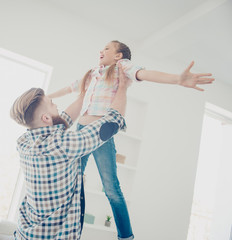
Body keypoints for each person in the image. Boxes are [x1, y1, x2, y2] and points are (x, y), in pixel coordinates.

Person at [47, 40, 215, 240]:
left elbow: (145, 73)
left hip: (101, 132)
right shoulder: (92, 73)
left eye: (107, 48)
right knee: (71, 183)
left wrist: (177, 79)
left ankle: (125, 236)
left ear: (119, 56)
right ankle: (62, 231)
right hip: (81, 130)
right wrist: (45, 97)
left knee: (111, 188)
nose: (101, 50)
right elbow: (69, 88)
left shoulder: (121, 67)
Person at [10, 64, 131, 240]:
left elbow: (62, 120)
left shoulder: (24, 142)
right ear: (45, 118)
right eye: (52, 104)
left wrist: (87, 92)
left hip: (24, 234)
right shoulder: (63, 145)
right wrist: (122, 88)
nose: (56, 104)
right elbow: (111, 122)